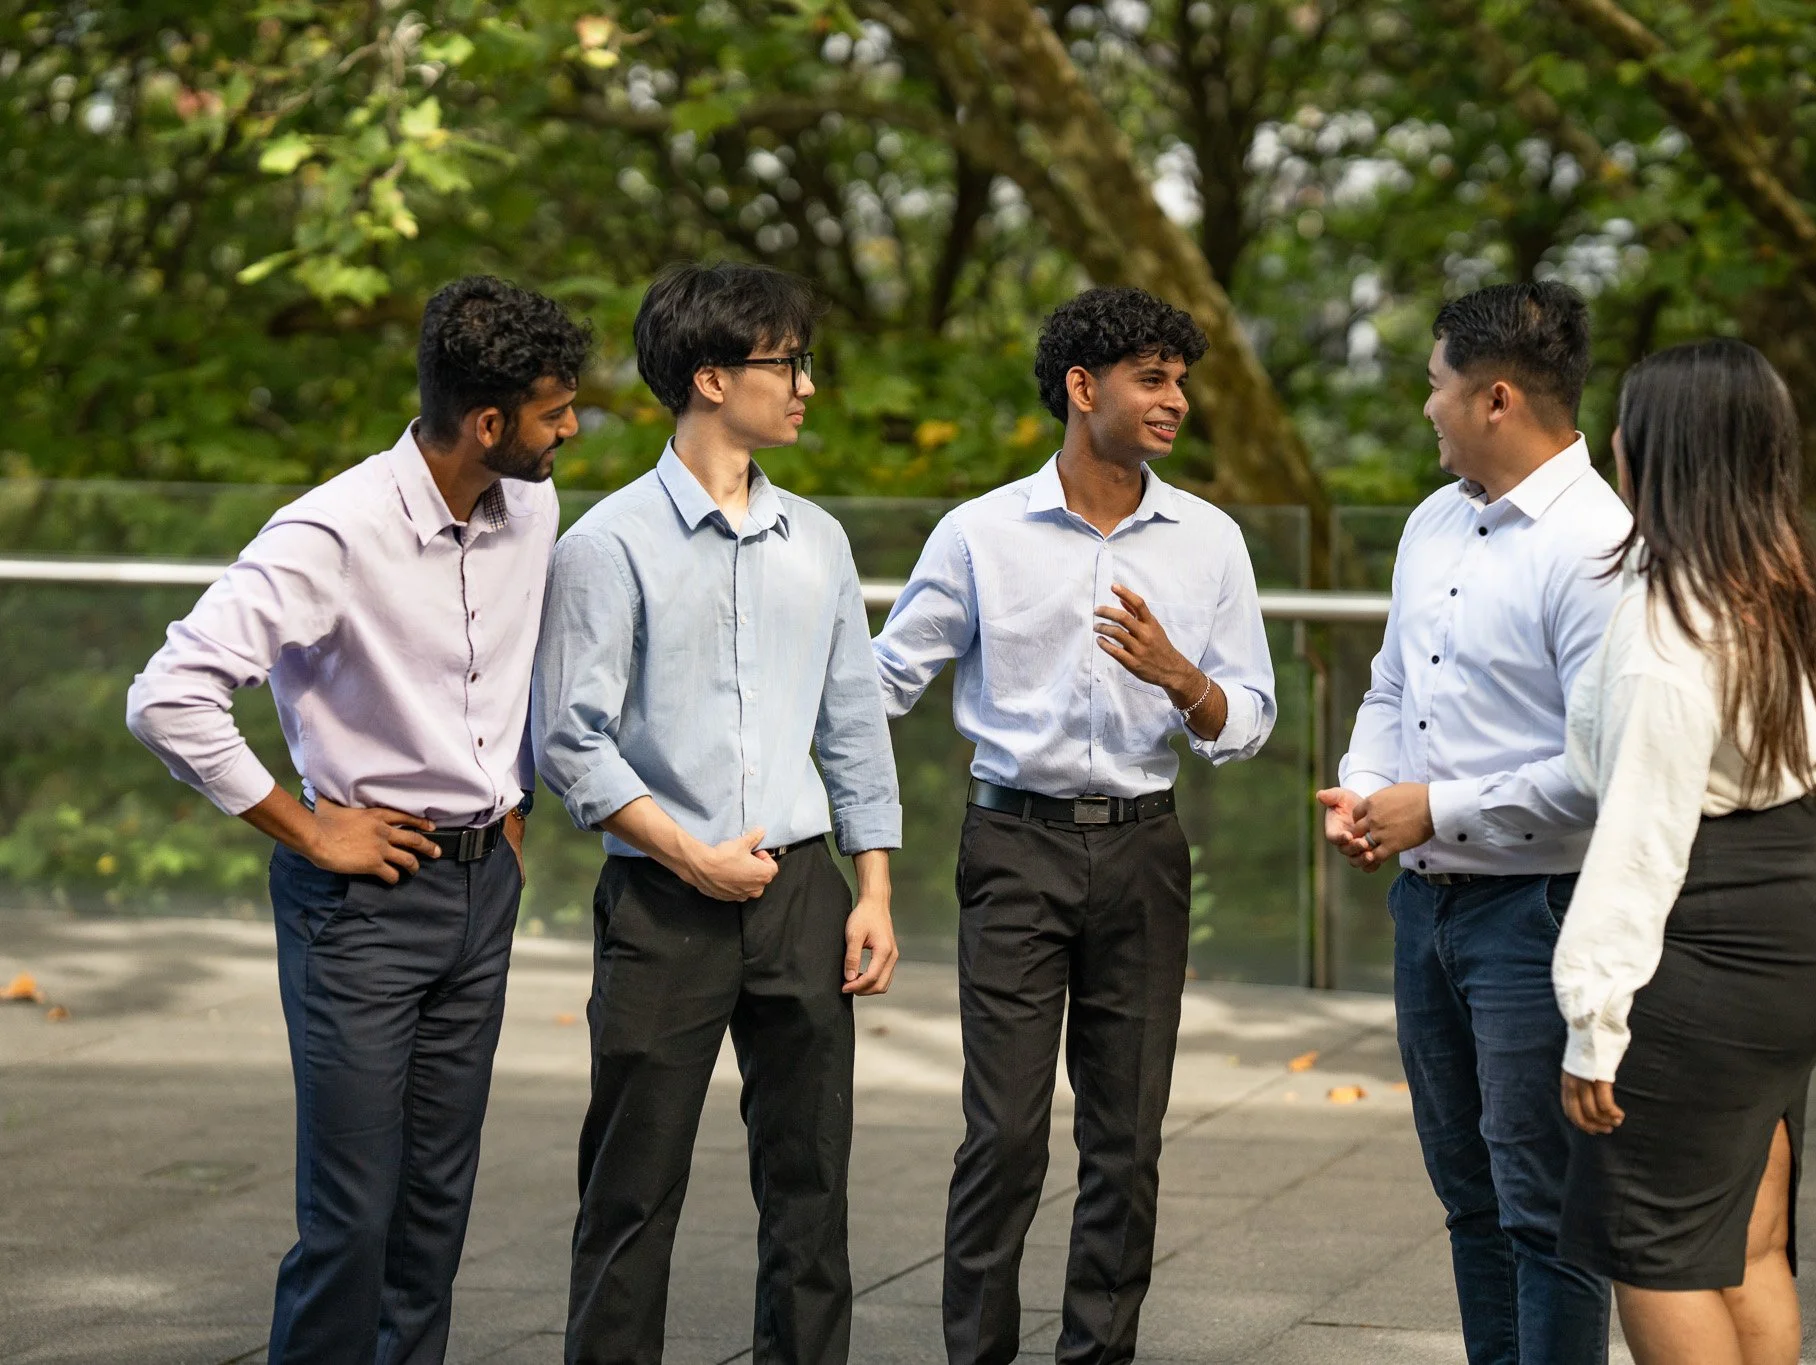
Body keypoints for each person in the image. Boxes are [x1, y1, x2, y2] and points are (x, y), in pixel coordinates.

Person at [126, 276, 588, 1364]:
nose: (571, 428)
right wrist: (308, 827)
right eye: (555, 410)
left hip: (482, 890)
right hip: (362, 904)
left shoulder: (533, 507)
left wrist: (509, 808)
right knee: (352, 1220)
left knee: (433, 1215)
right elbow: (167, 696)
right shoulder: (331, 531)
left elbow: (510, 671)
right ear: (487, 424)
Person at [873, 286, 1278, 1365]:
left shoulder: (1209, 542)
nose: (1175, 400)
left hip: (1145, 846)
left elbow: (1246, 723)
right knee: (1002, 1135)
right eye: (1152, 378)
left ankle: (1097, 1355)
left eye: (1180, 380)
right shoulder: (977, 534)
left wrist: (1178, 676)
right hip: (1012, 847)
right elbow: (878, 685)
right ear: (1081, 387)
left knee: (1125, 1140)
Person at [532, 261, 902, 1365]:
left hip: (801, 897)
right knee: (630, 1189)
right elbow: (569, 739)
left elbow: (852, 723)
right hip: (661, 901)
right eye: (786, 364)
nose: (804, 387)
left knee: (811, 1190)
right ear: (709, 377)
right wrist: (686, 853)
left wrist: (873, 887)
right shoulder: (605, 546)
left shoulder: (820, 543)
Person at [1552, 338, 1816, 1365]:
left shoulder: (1666, 628)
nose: (1610, 442)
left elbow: (1641, 841)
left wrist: (1591, 1020)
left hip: (1716, 940)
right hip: (1811, 913)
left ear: (1654, 451)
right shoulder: (1781, 593)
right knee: (1747, 1234)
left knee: (1655, 1249)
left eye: (1622, 425)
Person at [1317, 281, 1625, 1364]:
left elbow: (1600, 772)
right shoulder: (1429, 521)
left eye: (1435, 385)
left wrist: (1432, 806)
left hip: (1538, 914)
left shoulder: (1600, 548)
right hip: (1426, 908)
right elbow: (1389, 686)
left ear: (1494, 398)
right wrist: (1364, 792)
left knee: (1544, 1210)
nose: (1424, 408)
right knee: (1468, 1198)